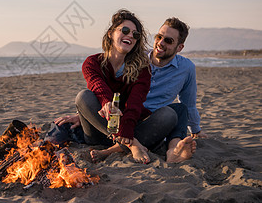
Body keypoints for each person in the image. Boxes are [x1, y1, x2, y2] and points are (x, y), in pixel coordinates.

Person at [47, 9, 179, 164]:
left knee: (169, 114)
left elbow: (135, 103)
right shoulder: (92, 63)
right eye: (125, 30)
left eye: (135, 35)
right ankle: (132, 145)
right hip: (99, 130)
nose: (130, 35)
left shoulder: (142, 69)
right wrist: (108, 104)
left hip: (128, 129)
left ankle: (115, 148)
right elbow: (98, 87)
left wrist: (127, 130)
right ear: (110, 33)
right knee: (83, 96)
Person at [91, 17, 204, 163]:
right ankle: (119, 148)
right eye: (159, 37)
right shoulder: (136, 58)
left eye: (168, 41)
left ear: (179, 47)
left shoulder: (186, 68)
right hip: (124, 118)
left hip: (154, 122)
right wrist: (83, 113)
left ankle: (173, 151)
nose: (160, 43)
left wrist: (196, 130)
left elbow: (189, 104)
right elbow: (109, 87)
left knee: (180, 110)